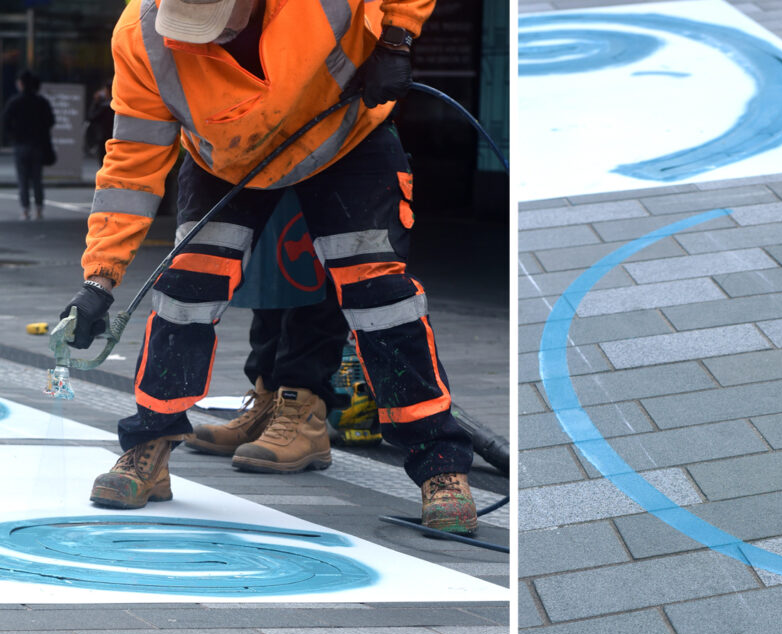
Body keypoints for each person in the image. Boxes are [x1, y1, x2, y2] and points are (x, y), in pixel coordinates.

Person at [58, 0, 478, 534]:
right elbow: (133, 161)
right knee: (184, 293)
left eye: (214, 24)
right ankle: (148, 447)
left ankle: (441, 469)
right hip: (225, 158)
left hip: (342, 137)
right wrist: (100, 277)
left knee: (380, 301)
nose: (200, 41)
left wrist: (396, 39)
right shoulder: (141, 35)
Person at [1, 70, 54, 220]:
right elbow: (50, 121)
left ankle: (25, 209)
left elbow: (5, 122)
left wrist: (12, 136)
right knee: (37, 178)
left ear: (21, 84)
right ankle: (39, 208)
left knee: (22, 178)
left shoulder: (15, 102)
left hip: (20, 144)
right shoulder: (41, 102)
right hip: (37, 144)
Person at [85, 83, 115, 166]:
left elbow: (91, 117)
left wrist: (96, 101)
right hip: (115, 138)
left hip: (104, 138)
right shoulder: (118, 105)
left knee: (104, 163)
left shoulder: (105, 107)